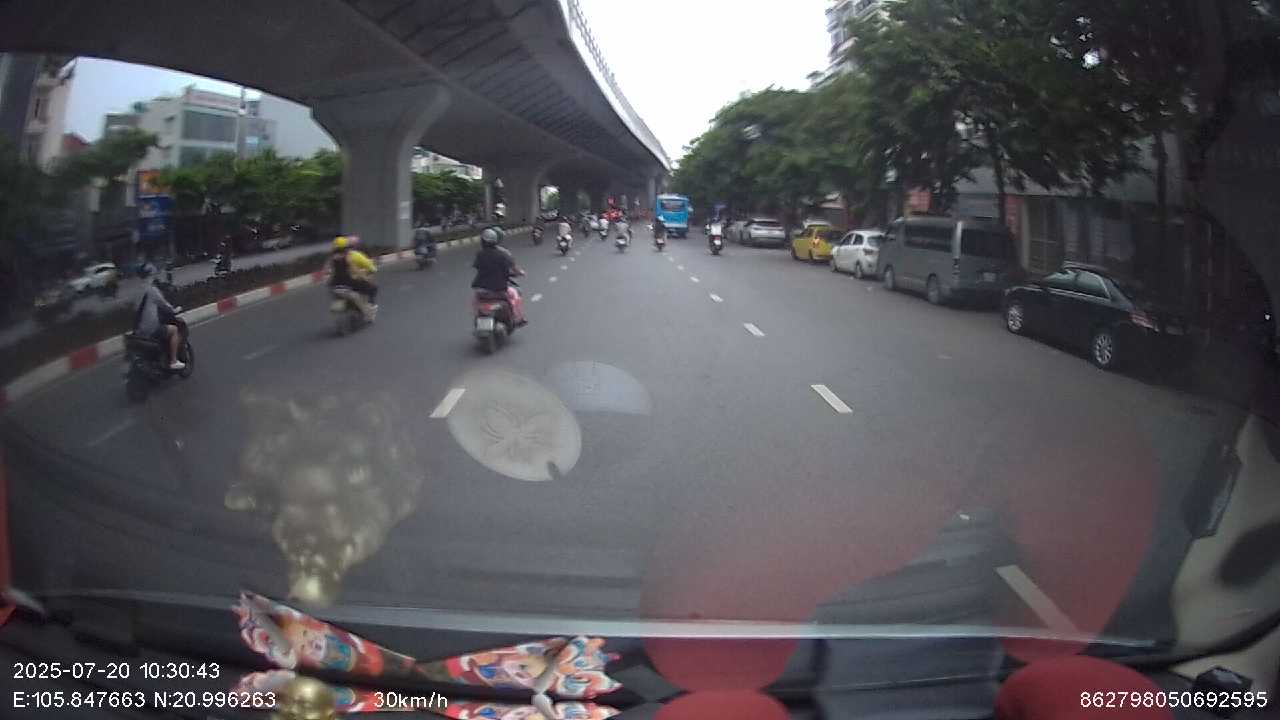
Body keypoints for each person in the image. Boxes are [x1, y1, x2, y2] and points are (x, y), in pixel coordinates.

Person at [471, 226, 527, 326]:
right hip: (499, 289)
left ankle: (477, 317)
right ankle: (518, 317)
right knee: (514, 294)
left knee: (476, 301)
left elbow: (478, 267)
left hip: (481, 289)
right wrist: (520, 273)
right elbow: (513, 268)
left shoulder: (479, 254)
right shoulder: (503, 254)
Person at [134, 276, 185, 370]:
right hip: (150, 328)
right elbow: (164, 305)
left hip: (138, 330)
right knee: (174, 330)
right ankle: (173, 361)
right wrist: (175, 310)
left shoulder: (138, 292)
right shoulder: (152, 291)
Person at [329, 236, 378, 310]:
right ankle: (371, 306)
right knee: (373, 288)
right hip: (348, 283)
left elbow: (330, 273)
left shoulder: (332, 259)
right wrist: (365, 278)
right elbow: (356, 271)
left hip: (334, 285)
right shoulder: (349, 257)